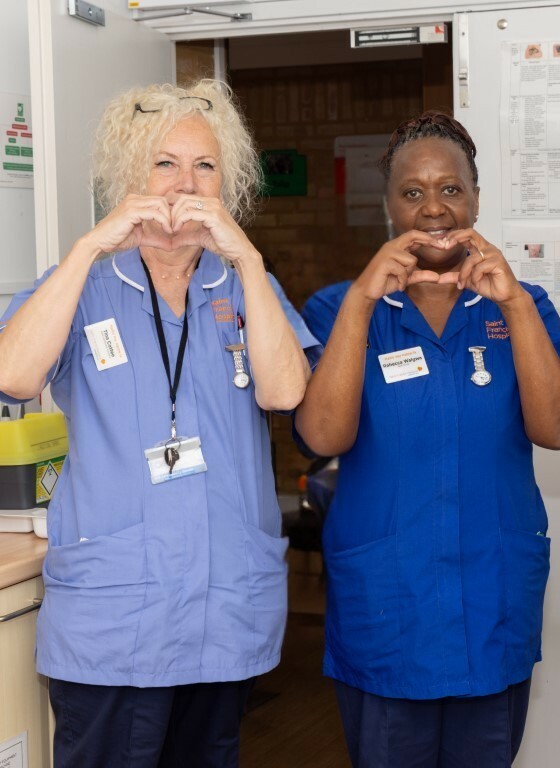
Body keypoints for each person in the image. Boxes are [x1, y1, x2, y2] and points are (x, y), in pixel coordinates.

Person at [0, 79, 319, 767]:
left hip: (220, 609)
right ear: (127, 176)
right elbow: (16, 375)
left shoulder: (243, 286)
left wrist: (251, 260)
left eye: (205, 166)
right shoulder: (81, 284)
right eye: (163, 163)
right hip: (113, 621)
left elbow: (286, 391)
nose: (184, 182)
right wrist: (89, 248)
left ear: (226, 185)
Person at [295, 110, 560, 767]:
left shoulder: (525, 305)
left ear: (476, 198)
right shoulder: (338, 308)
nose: (435, 209)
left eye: (451, 189)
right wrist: (364, 301)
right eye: (414, 191)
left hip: (491, 601)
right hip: (386, 609)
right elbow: (321, 433)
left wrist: (510, 302)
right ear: (388, 205)